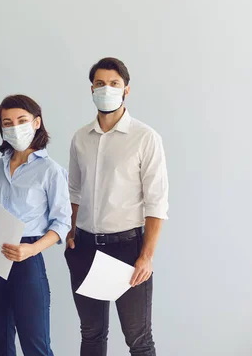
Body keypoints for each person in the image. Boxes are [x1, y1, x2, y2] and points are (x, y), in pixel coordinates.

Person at [65, 57, 169, 356]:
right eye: (100, 84)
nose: (106, 89)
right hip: (85, 247)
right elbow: (74, 191)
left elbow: (156, 202)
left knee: (138, 339)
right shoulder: (80, 138)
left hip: (127, 249)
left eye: (114, 84)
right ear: (91, 89)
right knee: (92, 334)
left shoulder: (145, 137)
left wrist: (146, 257)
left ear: (126, 90)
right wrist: (71, 234)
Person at [0, 94, 72, 356]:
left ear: (36, 122)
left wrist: (32, 250)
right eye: (7, 122)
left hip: (26, 258)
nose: (14, 127)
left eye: (21, 120)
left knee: (35, 346)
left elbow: (61, 223)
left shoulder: (51, 170)